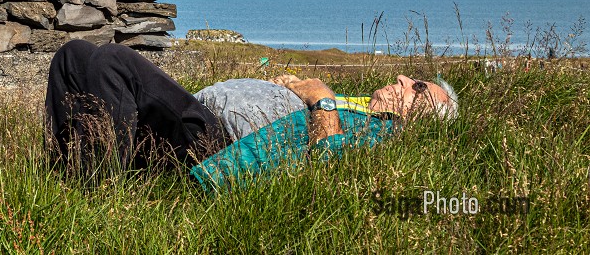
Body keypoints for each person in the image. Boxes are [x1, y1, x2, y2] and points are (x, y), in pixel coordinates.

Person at [44, 40, 458, 191]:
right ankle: (71, 172)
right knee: (72, 56)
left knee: (114, 59)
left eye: (417, 87)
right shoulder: (358, 107)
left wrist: (320, 97)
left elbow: (331, 165)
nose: (404, 78)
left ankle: (96, 189)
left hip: (217, 144)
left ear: (420, 116)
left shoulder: (384, 136)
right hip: (202, 116)